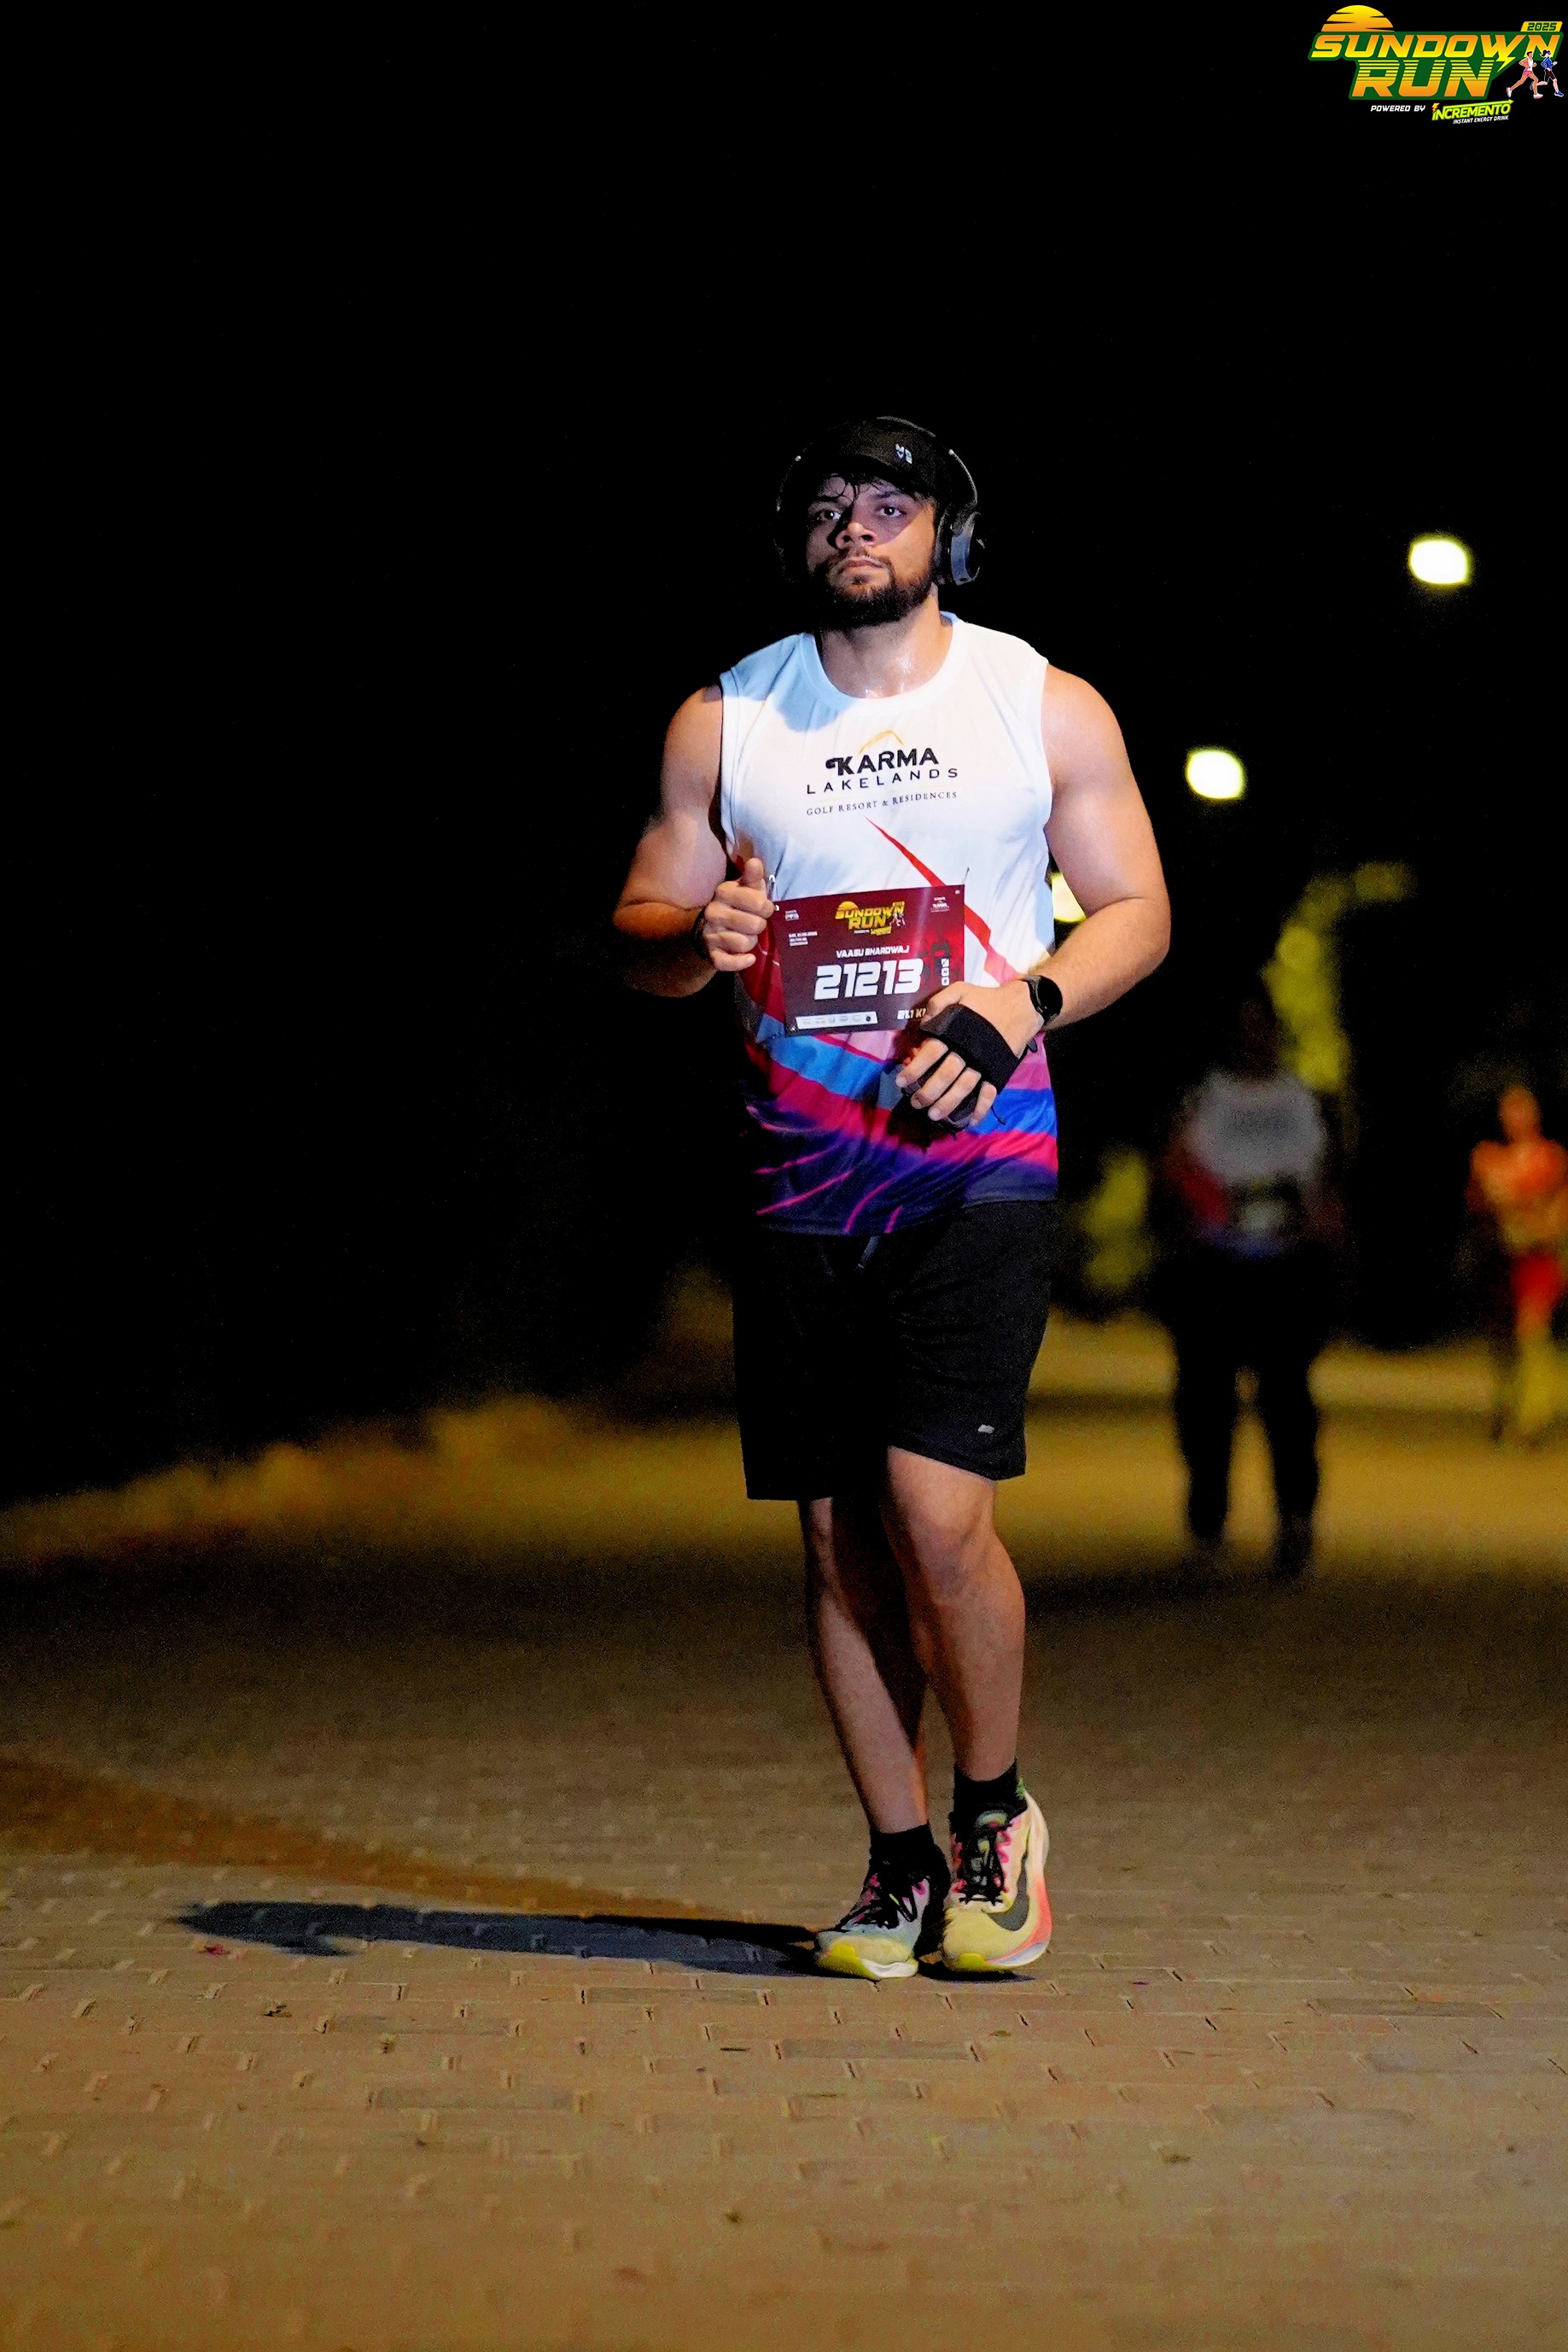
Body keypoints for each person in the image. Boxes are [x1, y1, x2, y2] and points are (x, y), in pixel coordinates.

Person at [614, 416, 1168, 1978]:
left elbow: (1137, 910)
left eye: (889, 502)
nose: (854, 524)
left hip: (975, 1164)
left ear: (949, 535)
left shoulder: (1037, 701)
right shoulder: (726, 719)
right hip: (798, 1170)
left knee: (933, 1510)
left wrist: (1024, 1001)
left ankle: (995, 1816)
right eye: (827, 506)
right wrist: (692, 938)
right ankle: (897, 1864)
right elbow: (642, 924)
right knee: (836, 1534)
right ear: (793, 539)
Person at [1152, 989, 1342, 1579]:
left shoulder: (1303, 1100)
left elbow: (1327, 1182)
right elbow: (1173, 1167)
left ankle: (1296, 1524)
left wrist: (1319, 1227)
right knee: (1207, 1406)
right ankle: (1207, 1530)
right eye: (1242, 1026)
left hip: (1285, 1269)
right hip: (1217, 1268)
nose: (1252, 1037)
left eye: (1261, 1026)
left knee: (1289, 1403)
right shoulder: (1204, 1097)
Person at [1468, 1086, 1568, 1441]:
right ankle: (1509, 1406)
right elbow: (1488, 1197)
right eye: (1509, 1111)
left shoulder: (1550, 1156)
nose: (1514, 1119)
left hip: (1538, 1261)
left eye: (1521, 1110)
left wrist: (1528, 1215)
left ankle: (1533, 1417)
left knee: (1532, 1331)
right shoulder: (1490, 1156)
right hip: (1502, 1262)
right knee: (1505, 1340)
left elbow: (1554, 1212)